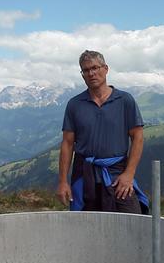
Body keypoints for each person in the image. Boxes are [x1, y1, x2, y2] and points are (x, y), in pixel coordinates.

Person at [57, 50, 149, 214]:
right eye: (86, 70)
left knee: (132, 222)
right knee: (86, 226)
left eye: (95, 68)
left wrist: (129, 174)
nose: (91, 73)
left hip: (117, 173)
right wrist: (63, 181)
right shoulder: (74, 104)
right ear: (82, 74)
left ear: (105, 69)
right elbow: (67, 143)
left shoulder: (125, 101)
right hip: (84, 175)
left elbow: (138, 137)